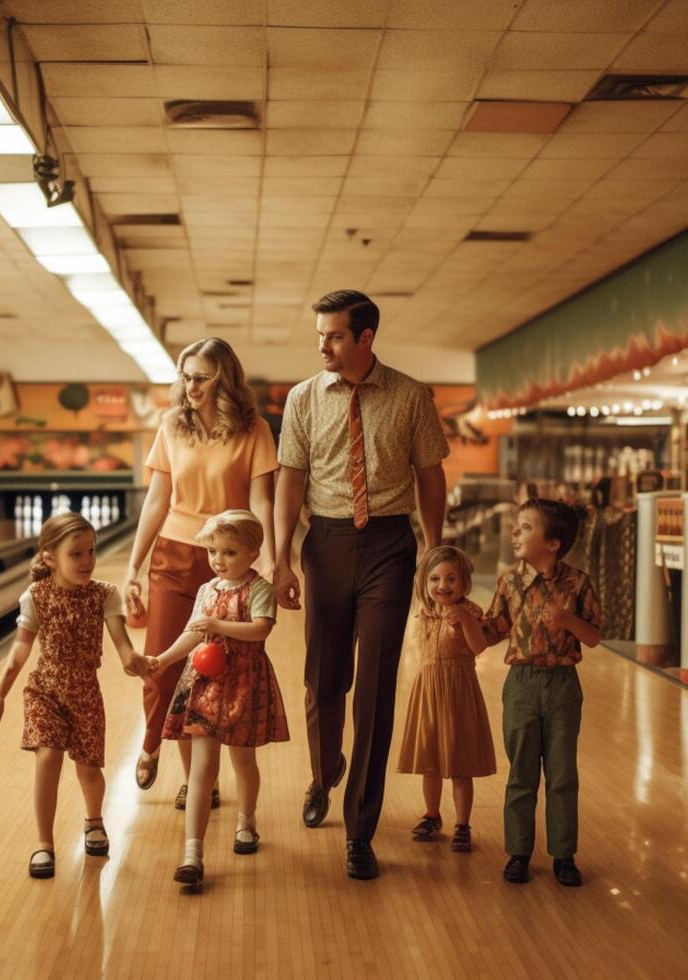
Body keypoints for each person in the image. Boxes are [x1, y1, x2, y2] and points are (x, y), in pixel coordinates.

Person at [272, 289, 450, 881]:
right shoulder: (302, 398)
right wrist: (280, 559)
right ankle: (324, 773)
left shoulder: (410, 396)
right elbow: (289, 483)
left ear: (366, 337)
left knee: (374, 686)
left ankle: (360, 829)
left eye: (335, 336)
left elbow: (430, 475)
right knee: (323, 680)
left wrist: (432, 550)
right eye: (320, 335)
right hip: (324, 543)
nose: (323, 345)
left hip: (389, 548)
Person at [125, 338, 278, 811]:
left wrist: (271, 559)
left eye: (200, 377)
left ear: (224, 378)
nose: (189, 386)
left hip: (231, 559)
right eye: (184, 376)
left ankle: (200, 780)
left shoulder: (253, 430)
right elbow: (157, 498)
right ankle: (153, 741)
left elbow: (261, 501)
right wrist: (134, 564)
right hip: (174, 554)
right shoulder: (172, 425)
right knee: (162, 662)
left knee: (220, 674)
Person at [0, 513, 153, 879]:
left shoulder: (105, 595)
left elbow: (124, 648)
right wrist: (0, 695)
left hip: (85, 693)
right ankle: (44, 844)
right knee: (48, 758)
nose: (87, 561)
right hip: (44, 690)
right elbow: (19, 653)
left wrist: (137, 662)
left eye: (91, 551)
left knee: (89, 769)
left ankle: (94, 821)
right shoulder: (35, 596)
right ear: (49, 557)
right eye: (76, 554)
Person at [152, 510, 289, 886]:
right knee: (202, 770)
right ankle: (192, 854)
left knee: (243, 761)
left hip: (245, 681)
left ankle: (246, 822)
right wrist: (162, 660)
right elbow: (192, 634)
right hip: (206, 683)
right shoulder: (205, 591)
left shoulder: (259, 589)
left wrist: (217, 626)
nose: (218, 560)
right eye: (213, 551)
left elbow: (260, 631)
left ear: (252, 552)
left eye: (229, 552)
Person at [478, 498, 601, 888]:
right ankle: (518, 852)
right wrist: (464, 622)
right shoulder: (509, 583)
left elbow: (594, 637)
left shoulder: (579, 583)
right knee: (521, 773)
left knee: (563, 775)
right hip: (521, 686)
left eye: (526, 527)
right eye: (517, 527)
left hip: (564, 686)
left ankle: (564, 856)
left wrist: (568, 620)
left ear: (553, 543)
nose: (516, 533)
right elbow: (490, 634)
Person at [395, 546, 497, 853]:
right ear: (424, 584)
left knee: (460, 763)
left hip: (459, 692)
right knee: (430, 762)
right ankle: (432, 814)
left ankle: (462, 824)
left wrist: (465, 622)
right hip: (428, 691)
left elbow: (479, 647)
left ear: (464, 582)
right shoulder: (424, 612)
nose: (443, 585)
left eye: (451, 578)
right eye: (435, 579)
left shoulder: (471, 612)